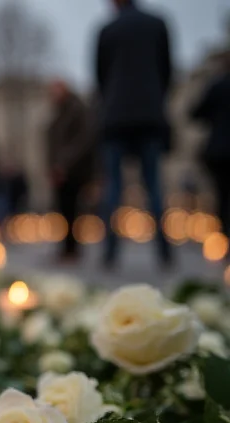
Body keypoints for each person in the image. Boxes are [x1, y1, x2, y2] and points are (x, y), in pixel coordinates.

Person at [96, 0, 172, 268]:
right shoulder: (157, 24)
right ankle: (164, 251)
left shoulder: (108, 30)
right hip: (149, 115)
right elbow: (166, 70)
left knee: (114, 187)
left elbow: (101, 77)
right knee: (153, 185)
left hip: (116, 118)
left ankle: (110, 252)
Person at [46, 79, 96, 262]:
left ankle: (72, 249)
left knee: (72, 209)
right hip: (61, 169)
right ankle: (66, 248)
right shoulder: (59, 111)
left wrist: (63, 163)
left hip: (73, 170)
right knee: (64, 209)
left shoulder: (76, 109)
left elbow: (83, 140)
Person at [191, 56, 230, 235]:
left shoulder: (217, 85)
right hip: (220, 152)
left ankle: (226, 234)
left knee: (222, 194)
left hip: (220, 150)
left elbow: (196, 112)